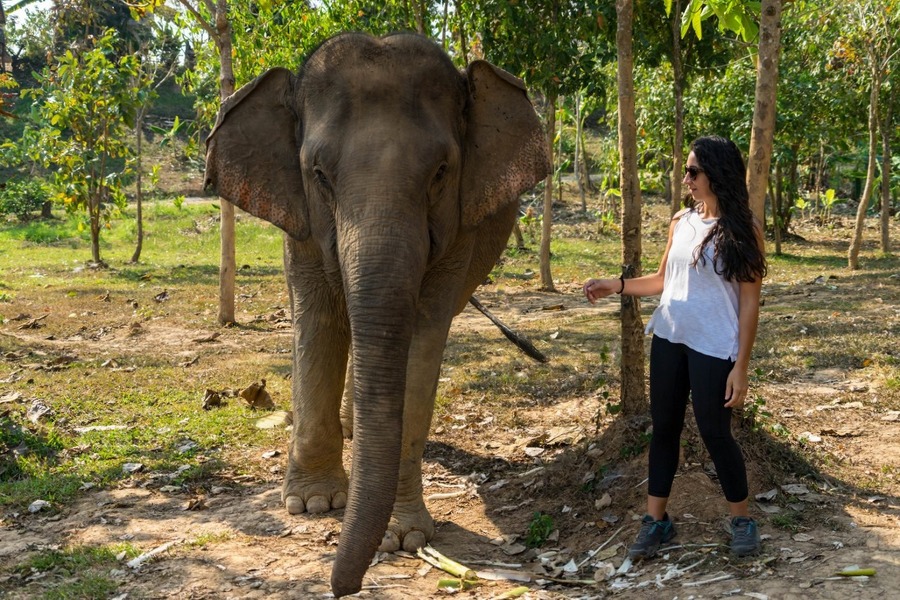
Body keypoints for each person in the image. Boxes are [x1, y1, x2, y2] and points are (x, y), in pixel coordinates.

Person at [583, 135, 767, 560]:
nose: (685, 179)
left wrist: (741, 365)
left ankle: (741, 520)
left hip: (714, 346)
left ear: (717, 174)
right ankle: (656, 522)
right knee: (663, 430)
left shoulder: (743, 230)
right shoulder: (681, 221)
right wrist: (618, 286)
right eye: (686, 171)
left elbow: (750, 302)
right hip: (669, 338)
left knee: (715, 433)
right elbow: (664, 280)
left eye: (693, 171)